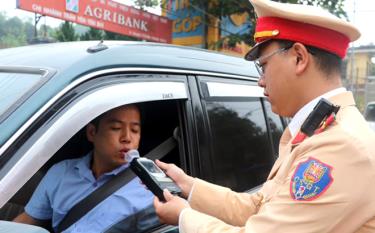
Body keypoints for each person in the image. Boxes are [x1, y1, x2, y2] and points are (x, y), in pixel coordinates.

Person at [153, 0, 375, 232]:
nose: (260, 80)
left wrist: (183, 217)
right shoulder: (317, 132)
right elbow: (258, 207)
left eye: (263, 65)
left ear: (299, 58)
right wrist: (187, 184)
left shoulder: (342, 146)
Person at [13, 104, 155, 232]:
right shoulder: (60, 172)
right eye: (116, 128)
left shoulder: (148, 187)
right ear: (92, 132)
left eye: (135, 130)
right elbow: (28, 219)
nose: (127, 138)